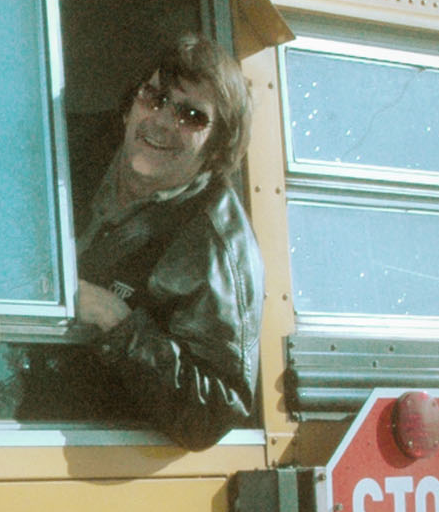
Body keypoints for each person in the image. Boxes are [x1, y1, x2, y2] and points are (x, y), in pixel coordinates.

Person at [20, 32, 264, 450]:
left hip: (79, 443)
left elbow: (216, 412)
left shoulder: (217, 245)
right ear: (131, 105)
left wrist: (119, 325)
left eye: (191, 116)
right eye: (154, 98)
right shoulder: (59, 146)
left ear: (217, 146)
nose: (163, 121)